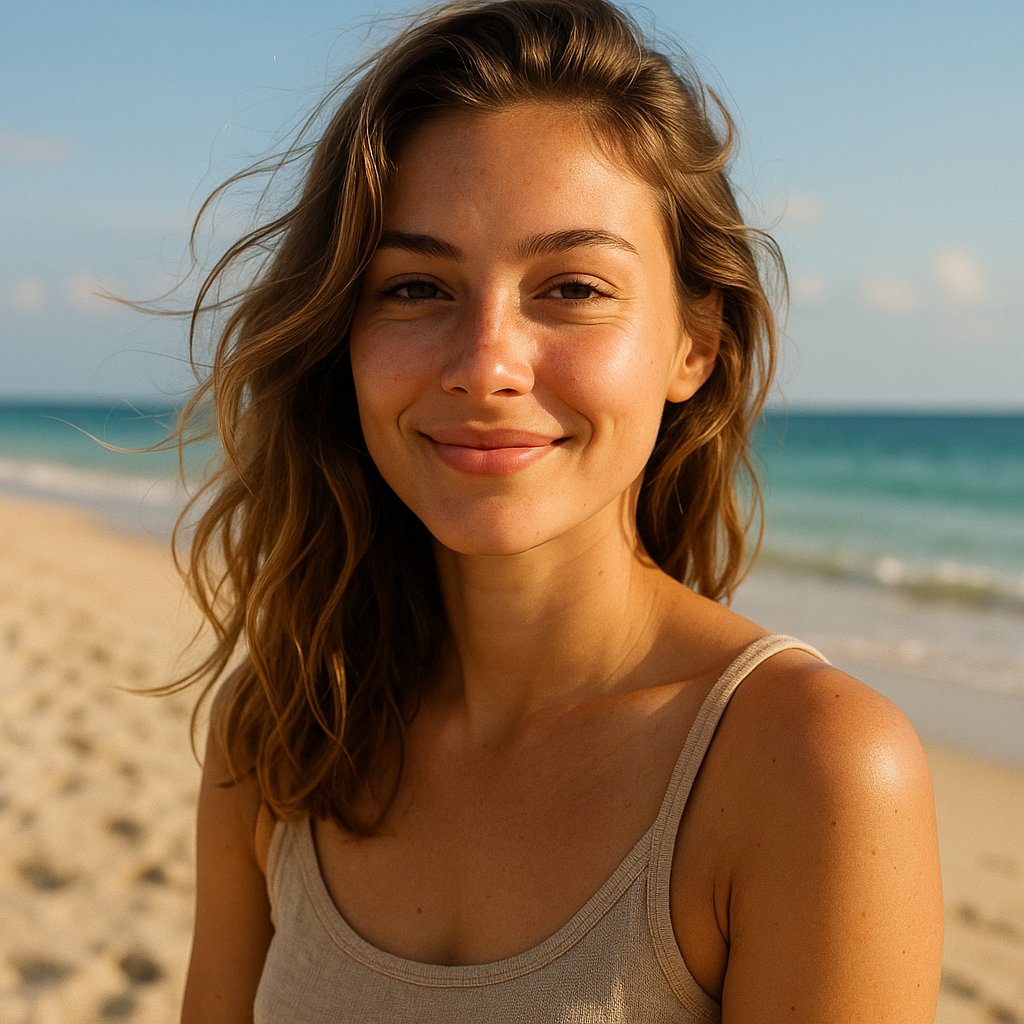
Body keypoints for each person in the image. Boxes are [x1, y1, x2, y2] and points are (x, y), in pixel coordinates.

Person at [175, 0, 943, 1020]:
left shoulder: (810, 769)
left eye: (573, 288)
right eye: (415, 287)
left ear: (694, 345)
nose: (485, 364)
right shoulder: (283, 728)